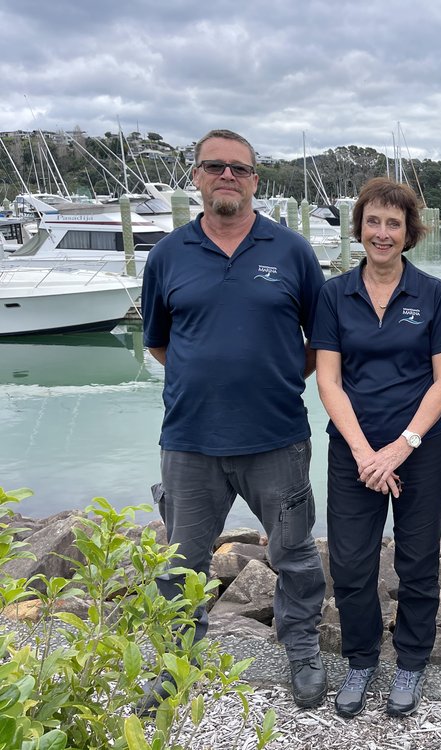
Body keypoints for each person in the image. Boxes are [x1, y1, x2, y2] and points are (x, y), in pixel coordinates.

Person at [141, 129, 328, 711]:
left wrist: (266, 376)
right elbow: (160, 344)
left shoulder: (292, 251)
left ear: (255, 180)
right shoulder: (168, 254)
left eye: (239, 169)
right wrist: (211, 378)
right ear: (196, 176)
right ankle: (176, 664)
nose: (227, 176)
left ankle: (301, 649)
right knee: (181, 564)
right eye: (214, 166)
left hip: (277, 437)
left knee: (295, 555)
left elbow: (319, 341)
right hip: (191, 441)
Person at [312, 178, 441, 718]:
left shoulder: (433, 294)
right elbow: (328, 381)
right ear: (359, 228)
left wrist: (400, 447)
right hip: (353, 452)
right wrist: (364, 453)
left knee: (419, 563)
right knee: (350, 564)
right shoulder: (333, 294)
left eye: (393, 223)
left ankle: (412, 661)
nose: (382, 232)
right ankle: (360, 659)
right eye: (373, 221)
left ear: (409, 231)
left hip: (422, 450)